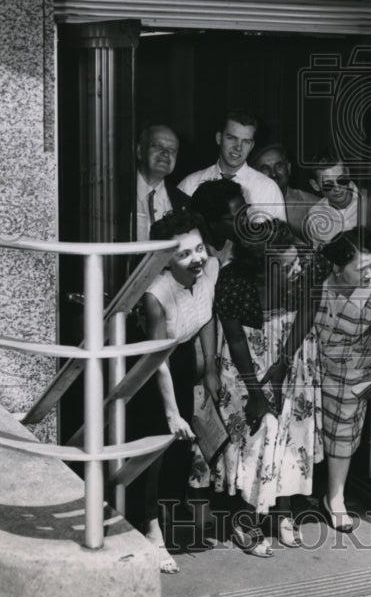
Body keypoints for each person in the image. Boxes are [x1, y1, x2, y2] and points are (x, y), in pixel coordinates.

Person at [190, 220, 323, 556]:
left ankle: (283, 509)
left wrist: (283, 365)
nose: (295, 270)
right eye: (285, 266)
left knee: (291, 434)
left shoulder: (303, 269)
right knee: (260, 434)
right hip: (247, 362)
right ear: (261, 267)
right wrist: (257, 392)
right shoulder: (234, 281)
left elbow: (308, 308)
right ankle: (245, 519)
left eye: (295, 262)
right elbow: (235, 338)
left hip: (292, 352)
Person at [128, 212, 220, 574]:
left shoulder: (209, 270)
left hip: (181, 358)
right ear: (165, 259)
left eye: (199, 249)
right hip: (148, 367)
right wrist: (170, 411)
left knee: (179, 447)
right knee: (153, 449)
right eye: (184, 254)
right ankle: (150, 527)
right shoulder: (157, 294)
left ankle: (169, 511)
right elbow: (156, 359)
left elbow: (207, 317)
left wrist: (209, 368)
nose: (196, 258)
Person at [312, 227, 371, 533]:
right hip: (308, 357)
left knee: (342, 430)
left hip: (352, 365)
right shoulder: (315, 274)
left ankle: (334, 498)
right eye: (361, 267)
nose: (370, 273)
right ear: (337, 267)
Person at [177, 110, 284, 221]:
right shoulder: (190, 184)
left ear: (252, 146)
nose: (238, 147)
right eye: (232, 138)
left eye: (246, 141)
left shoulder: (268, 189)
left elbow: (279, 231)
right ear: (219, 138)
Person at [302, 150, 371, 246]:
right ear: (315, 185)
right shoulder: (315, 216)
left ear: (347, 173)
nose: (337, 188)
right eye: (328, 184)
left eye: (341, 180)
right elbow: (318, 252)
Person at [133, 124, 191, 242]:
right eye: (157, 146)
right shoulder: (114, 194)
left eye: (172, 150)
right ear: (140, 151)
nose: (165, 153)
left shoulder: (185, 203)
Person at [249, 142, 318, 238]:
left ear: (288, 168)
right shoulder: (244, 208)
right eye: (265, 168)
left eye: (279, 166)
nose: (273, 174)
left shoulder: (312, 205)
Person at [189, 178, 247, 266]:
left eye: (244, 213)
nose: (245, 221)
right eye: (234, 219)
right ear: (212, 222)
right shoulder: (191, 255)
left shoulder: (245, 247)